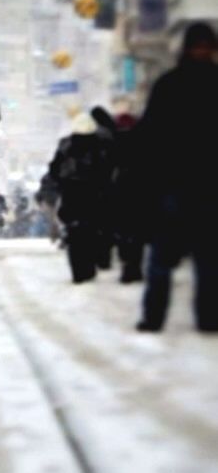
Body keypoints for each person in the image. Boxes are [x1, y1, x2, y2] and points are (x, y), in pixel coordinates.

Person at [135, 21, 218, 332]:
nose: (202, 52)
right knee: (201, 260)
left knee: (172, 261)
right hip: (192, 189)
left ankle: (160, 317)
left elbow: (148, 138)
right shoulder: (172, 85)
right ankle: (204, 318)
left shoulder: (169, 85)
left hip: (183, 188)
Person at [48, 111, 115, 283]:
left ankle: (79, 271)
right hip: (95, 197)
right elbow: (109, 169)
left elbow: (54, 170)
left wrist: (61, 186)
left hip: (72, 197)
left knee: (75, 236)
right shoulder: (102, 144)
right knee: (91, 233)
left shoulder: (66, 145)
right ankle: (89, 267)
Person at [91, 106, 144, 283]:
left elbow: (106, 164)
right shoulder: (139, 139)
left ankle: (124, 262)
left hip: (118, 190)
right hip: (137, 190)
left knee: (121, 229)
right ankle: (132, 263)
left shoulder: (110, 139)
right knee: (135, 230)